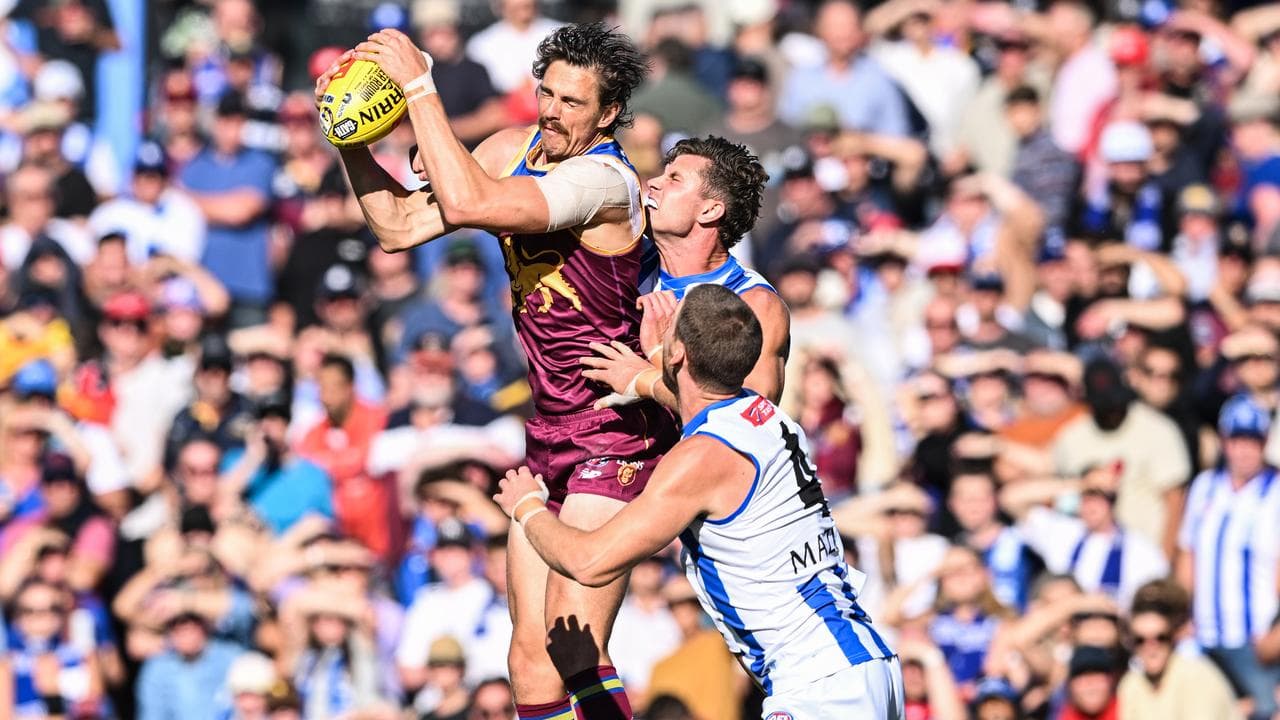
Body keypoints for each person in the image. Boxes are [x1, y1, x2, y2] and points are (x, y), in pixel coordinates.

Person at [328, 24, 676, 719]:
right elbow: (397, 226)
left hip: (616, 431)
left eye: (572, 102)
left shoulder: (603, 180)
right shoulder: (510, 148)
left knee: (574, 646)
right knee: (528, 661)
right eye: (546, 91)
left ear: (607, 114)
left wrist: (420, 88)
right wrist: (350, 141)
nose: (552, 110)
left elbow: (471, 205)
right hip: (549, 428)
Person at [495, 284, 903, 719]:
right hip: (864, 663)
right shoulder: (767, 416)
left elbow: (590, 563)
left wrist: (528, 508)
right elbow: (694, 403)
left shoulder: (701, 460)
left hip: (820, 686)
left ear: (679, 354)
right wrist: (646, 372)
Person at [579, 136, 790, 409]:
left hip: (688, 451)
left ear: (710, 210)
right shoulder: (620, 263)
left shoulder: (753, 303)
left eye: (674, 179)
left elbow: (752, 414)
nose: (654, 183)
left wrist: (646, 379)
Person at [1177, 395, 1280, 720]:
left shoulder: (1275, 492)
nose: (1244, 450)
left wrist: (1276, 637)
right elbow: (1187, 555)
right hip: (1203, 637)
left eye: (1252, 440)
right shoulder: (1205, 487)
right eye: (1236, 440)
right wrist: (1182, 617)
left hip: (1253, 639)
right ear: (1224, 441)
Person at [1117, 580, 1240, 720]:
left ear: (1173, 637)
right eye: (1140, 640)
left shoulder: (1197, 675)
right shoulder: (1131, 684)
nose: (1150, 648)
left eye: (1160, 638)